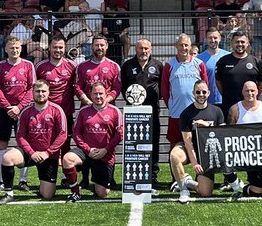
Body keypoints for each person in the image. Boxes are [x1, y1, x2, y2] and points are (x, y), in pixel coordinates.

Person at [0, 80, 70, 203]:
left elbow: (62, 135)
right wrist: (31, 153)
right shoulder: (25, 112)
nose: (40, 94)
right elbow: (20, 136)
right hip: (30, 153)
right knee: (7, 157)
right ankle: (8, 194)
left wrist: (48, 153)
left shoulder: (57, 110)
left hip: (48, 156)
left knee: (47, 195)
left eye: (43, 91)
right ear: (32, 93)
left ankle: (43, 186)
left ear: (49, 92)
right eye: (37, 91)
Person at [64, 81, 123, 201]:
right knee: (67, 158)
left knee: (102, 193)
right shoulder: (83, 111)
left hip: (105, 155)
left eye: (101, 93)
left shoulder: (115, 111)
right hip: (86, 152)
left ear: (106, 94)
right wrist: (88, 149)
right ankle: (75, 192)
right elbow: (76, 133)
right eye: (95, 93)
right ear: (90, 94)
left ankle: (97, 181)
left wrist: (105, 150)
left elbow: (120, 134)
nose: (98, 96)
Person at [169, 80, 224, 202]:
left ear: (208, 93)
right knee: (174, 155)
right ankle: (183, 190)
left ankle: (188, 182)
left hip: (207, 152)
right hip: (190, 148)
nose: (201, 95)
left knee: (205, 192)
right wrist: (195, 163)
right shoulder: (186, 114)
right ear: (193, 93)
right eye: (198, 92)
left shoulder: (217, 111)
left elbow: (222, 136)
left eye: (204, 92)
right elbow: (188, 142)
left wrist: (208, 126)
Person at [0, 36, 37, 188]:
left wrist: (19, 107)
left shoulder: (28, 65)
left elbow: (32, 88)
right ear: (6, 49)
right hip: (4, 110)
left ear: (21, 48)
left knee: (24, 142)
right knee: (1, 143)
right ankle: (1, 181)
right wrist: (8, 107)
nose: (15, 50)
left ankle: (23, 180)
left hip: (23, 110)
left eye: (17, 47)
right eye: (12, 47)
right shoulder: (0, 65)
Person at [161, 34, 210, 164]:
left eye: (186, 45)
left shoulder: (199, 64)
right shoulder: (169, 65)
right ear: (176, 46)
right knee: (174, 145)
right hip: (176, 113)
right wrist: (171, 105)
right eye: (181, 45)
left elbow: (205, 85)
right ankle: (175, 175)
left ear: (190, 46)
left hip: (196, 112)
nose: (184, 48)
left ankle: (200, 173)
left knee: (200, 145)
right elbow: (164, 89)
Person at [121, 37, 165, 178]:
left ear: (150, 50)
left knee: (153, 142)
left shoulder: (158, 65)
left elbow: (162, 87)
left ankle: (153, 174)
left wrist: (154, 100)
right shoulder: (127, 65)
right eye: (141, 48)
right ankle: (134, 175)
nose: (143, 51)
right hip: (133, 112)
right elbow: (123, 88)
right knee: (134, 143)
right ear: (136, 49)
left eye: (146, 48)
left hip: (152, 112)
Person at [227, 80, 262, 198]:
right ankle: (234, 180)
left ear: (257, 91)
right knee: (257, 192)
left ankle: (246, 188)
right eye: (247, 91)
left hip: (261, 154)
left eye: (252, 90)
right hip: (242, 153)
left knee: (259, 190)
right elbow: (228, 133)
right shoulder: (235, 109)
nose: (250, 93)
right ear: (242, 92)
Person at [214, 30, 262, 121]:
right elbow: (218, 82)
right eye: (237, 42)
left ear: (247, 43)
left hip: (250, 108)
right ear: (232, 43)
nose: (240, 44)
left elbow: (261, 83)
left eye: (242, 42)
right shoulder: (223, 61)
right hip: (229, 106)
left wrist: (252, 96)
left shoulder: (256, 62)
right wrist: (227, 95)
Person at [34, 34, 76, 133]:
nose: (58, 50)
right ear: (49, 48)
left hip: (66, 111)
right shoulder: (40, 67)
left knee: (66, 140)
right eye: (55, 47)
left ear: (65, 48)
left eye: (61, 47)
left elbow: (77, 86)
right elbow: (34, 88)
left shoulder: (72, 66)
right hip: (46, 111)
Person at [197, 29, 229, 107]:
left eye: (215, 37)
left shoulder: (228, 56)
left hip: (226, 100)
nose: (213, 40)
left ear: (220, 38)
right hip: (207, 102)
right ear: (206, 39)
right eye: (210, 38)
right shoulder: (199, 59)